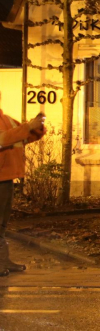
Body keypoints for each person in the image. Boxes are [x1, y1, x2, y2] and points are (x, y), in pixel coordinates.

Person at [0, 109, 46, 277]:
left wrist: (37, 128)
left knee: (2, 224)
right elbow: (3, 139)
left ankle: (3, 261)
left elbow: (24, 136)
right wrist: (28, 126)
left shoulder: (6, 119)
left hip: (6, 176)